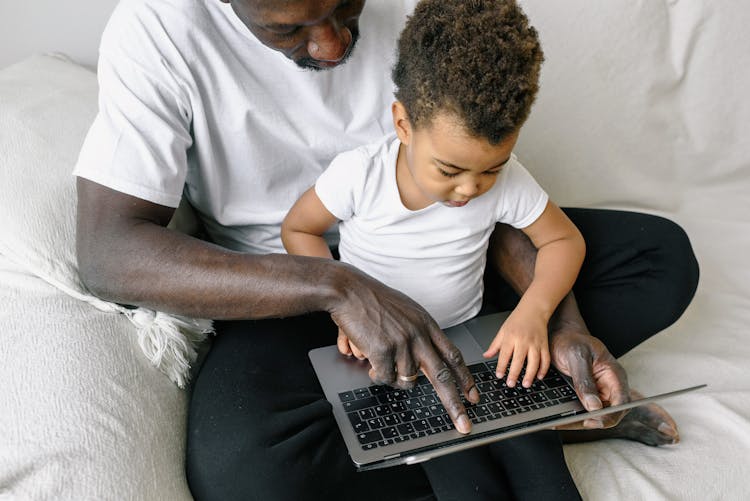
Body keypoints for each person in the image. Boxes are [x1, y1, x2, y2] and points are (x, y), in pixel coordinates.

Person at [73, 0, 698, 499]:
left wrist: (557, 319)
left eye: (345, 7)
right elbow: (108, 253)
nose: (332, 45)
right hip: (288, 285)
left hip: (455, 260)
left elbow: (480, 197)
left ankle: (506, 399)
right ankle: (531, 414)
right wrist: (342, 289)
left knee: (659, 258)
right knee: (242, 474)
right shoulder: (156, 29)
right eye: (289, 28)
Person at [281, 1, 585, 389]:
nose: (471, 188)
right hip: (375, 343)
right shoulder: (360, 173)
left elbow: (564, 239)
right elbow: (299, 229)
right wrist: (343, 311)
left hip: (464, 337)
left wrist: (534, 313)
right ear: (403, 125)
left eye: (492, 168)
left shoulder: (508, 179)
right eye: (448, 170)